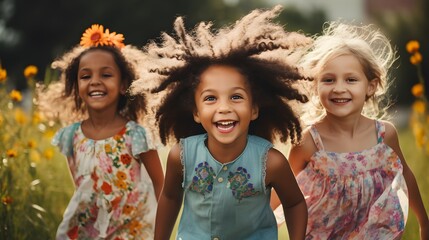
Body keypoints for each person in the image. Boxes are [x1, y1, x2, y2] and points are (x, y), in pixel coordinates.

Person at [129, 5, 311, 240]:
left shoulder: (271, 162)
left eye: (236, 96)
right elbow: (171, 198)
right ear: (196, 112)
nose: (224, 107)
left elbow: (295, 203)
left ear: (254, 109)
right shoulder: (181, 156)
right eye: (210, 98)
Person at [272, 21, 429, 239]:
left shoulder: (385, 135)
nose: (339, 88)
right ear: (316, 86)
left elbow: (406, 177)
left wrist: (424, 221)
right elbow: (281, 192)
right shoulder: (309, 142)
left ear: (370, 86)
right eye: (328, 79)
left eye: (351, 79)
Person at [40, 24, 164, 239]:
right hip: (87, 229)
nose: (95, 81)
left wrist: (161, 230)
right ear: (76, 87)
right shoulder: (70, 137)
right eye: (85, 76)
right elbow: (80, 188)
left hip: (132, 230)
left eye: (106, 75)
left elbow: (161, 185)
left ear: (124, 84)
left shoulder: (135, 135)